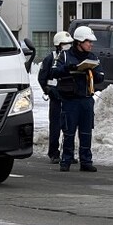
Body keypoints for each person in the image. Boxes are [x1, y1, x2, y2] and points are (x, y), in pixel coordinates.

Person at [51, 25, 105, 172]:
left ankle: (86, 161)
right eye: (88, 41)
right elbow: (54, 71)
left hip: (86, 99)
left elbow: (101, 76)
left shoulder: (92, 57)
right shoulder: (65, 55)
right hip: (70, 100)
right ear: (79, 42)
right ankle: (66, 161)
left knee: (86, 132)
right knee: (68, 132)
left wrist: (93, 72)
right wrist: (69, 68)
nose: (91, 44)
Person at [37, 31, 73, 164]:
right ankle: (53, 153)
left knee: (69, 126)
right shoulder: (50, 58)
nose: (68, 46)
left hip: (69, 97)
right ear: (58, 44)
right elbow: (42, 77)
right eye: (65, 44)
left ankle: (68, 153)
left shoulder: (71, 58)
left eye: (70, 44)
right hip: (56, 97)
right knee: (55, 126)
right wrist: (47, 90)